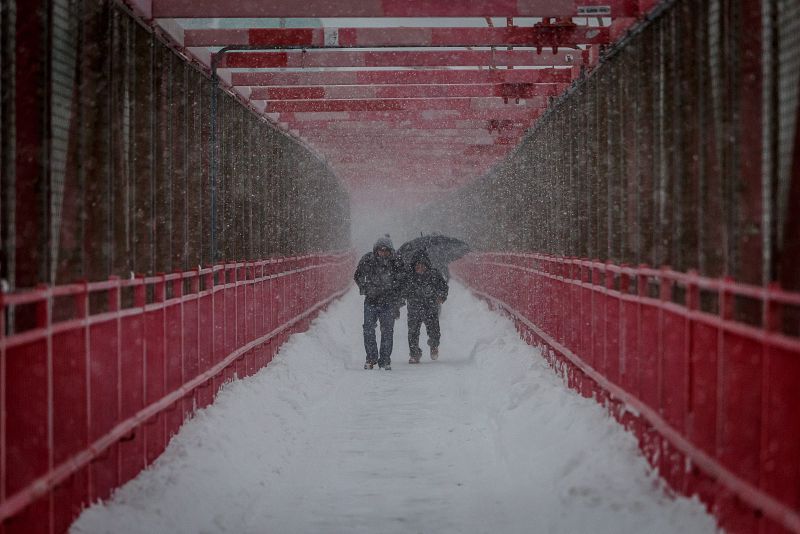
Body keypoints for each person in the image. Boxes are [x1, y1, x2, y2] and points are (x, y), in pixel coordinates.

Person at [353, 236, 405, 370]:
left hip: (388, 302)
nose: (383, 253)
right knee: (368, 329)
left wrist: (397, 299)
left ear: (390, 251)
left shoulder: (396, 262)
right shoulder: (368, 260)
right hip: (371, 301)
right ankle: (371, 358)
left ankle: (385, 360)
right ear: (376, 250)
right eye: (380, 250)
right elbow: (358, 275)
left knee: (387, 331)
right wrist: (365, 288)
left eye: (385, 250)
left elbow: (402, 282)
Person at [402, 249, 448, 364]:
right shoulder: (409, 276)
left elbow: (443, 287)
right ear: (414, 265)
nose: (420, 268)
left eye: (423, 266)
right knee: (413, 332)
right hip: (414, 309)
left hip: (430, 308)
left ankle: (434, 346)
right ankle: (414, 353)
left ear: (427, 265)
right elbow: (402, 289)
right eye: (417, 265)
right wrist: (403, 296)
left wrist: (441, 296)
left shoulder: (434, 274)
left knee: (434, 330)